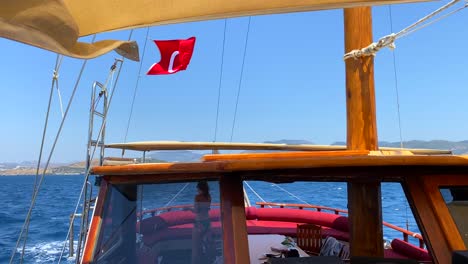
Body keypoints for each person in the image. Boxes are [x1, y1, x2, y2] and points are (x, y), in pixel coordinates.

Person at [191, 181, 214, 264]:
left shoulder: (197, 197)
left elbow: (197, 210)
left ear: (200, 189)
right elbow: (206, 209)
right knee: (207, 246)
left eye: (198, 189)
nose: (197, 191)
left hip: (199, 223)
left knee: (196, 248)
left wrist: (188, 209)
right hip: (207, 222)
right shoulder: (209, 196)